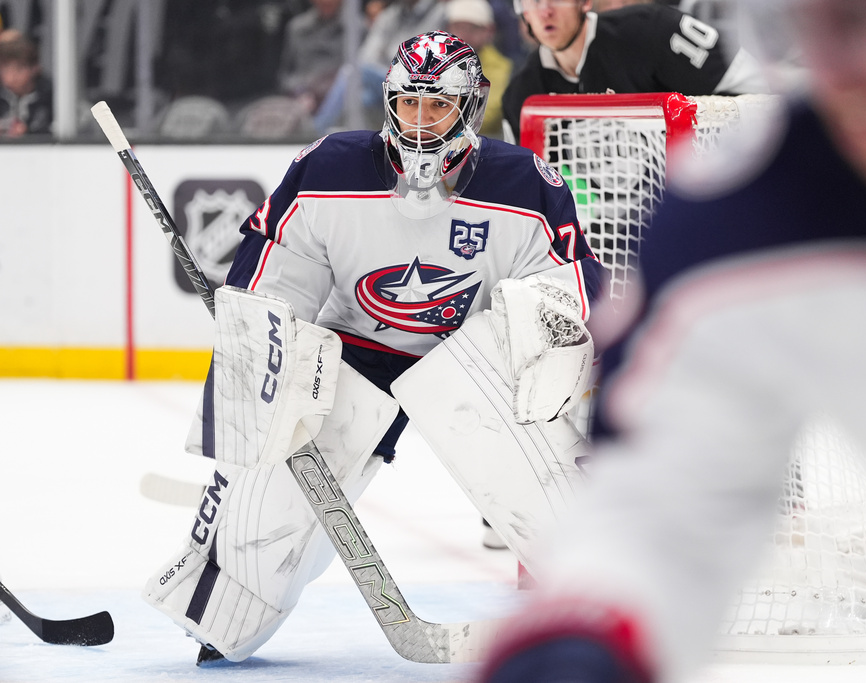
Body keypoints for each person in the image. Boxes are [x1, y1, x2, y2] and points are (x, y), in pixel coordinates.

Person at [478, 1, 866, 682]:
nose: (834, 74)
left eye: (860, 25)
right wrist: (577, 645)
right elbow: (662, 510)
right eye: (800, 32)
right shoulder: (740, 228)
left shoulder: (650, 46)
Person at [142, 30, 605, 666]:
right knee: (241, 593)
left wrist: (554, 389)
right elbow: (268, 294)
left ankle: (602, 601)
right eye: (408, 103)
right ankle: (227, 595)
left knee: (566, 520)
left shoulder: (525, 186)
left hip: (475, 358)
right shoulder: (329, 167)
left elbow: (571, 305)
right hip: (353, 356)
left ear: (470, 107)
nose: (419, 123)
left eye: (437, 106)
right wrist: (257, 377)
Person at [500, 0, 768, 142]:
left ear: (584, 2)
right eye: (533, 1)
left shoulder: (653, 29)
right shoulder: (520, 95)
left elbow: (759, 98)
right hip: (601, 224)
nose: (545, 10)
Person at [447, 0, 513, 140]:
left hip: (482, 142)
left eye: (472, 28)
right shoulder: (439, 60)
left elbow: (487, 117)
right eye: (458, 27)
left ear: (489, 30)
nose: (463, 35)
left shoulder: (501, 66)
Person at [278, 0, 349, 113]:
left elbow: (354, 74)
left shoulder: (355, 30)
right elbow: (287, 74)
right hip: (302, 100)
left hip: (341, 101)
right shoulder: (297, 28)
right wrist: (300, 93)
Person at [0, 31, 51, 138]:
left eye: (19, 69)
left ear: (35, 68)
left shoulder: (51, 98)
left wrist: (29, 132)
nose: (11, 77)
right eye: (5, 69)